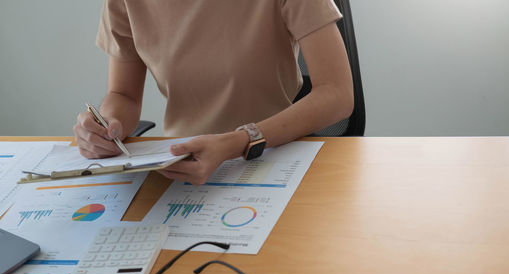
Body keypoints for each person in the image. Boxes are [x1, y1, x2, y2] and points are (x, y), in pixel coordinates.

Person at [73, 0, 353, 185]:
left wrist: (238, 141)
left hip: (273, 156)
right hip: (181, 166)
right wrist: (107, 126)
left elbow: (337, 93)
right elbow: (124, 95)